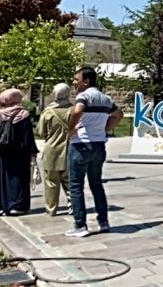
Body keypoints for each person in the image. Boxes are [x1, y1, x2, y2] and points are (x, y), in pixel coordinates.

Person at [65, 67, 123, 238]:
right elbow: (119, 114)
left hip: (81, 144)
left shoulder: (83, 96)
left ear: (86, 81)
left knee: (76, 186)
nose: (74, 83)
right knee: (96, 184)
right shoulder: (106, 98)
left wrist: (71, 129)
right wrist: (105, 129)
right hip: (98, 145)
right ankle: (103, 222)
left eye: (76, 80)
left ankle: (80, 225)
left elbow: (77, 111)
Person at [0, 89, 39, 216]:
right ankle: (16, 206)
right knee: (17, 178)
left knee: (0, 178)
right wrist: (32, 152)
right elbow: (28, 137)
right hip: (18, 152)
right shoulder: (23, 115)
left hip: (0, 152)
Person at [37, 83, 73, 216]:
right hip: (69, 148)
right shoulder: (74, 110)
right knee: (70, 181)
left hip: (51, 150)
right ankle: (74, 205)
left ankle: (51, 209)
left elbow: (40, 132)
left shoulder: (48, 112)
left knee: (51, 181)